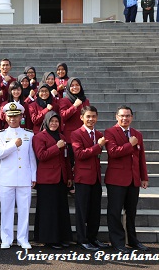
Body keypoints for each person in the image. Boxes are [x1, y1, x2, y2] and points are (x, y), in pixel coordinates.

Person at [105, 105, 149, 253]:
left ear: (132, 117)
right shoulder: (109, 132)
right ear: (117, 117)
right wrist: (130, 144)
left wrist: (144, 177)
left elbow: (141, 158)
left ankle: (132, 240)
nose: (125, 118)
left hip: (134, 179)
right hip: (116, 179)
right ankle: (117, 242)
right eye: (122, 116)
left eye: (128, 116)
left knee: (131, 212)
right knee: (115, 212)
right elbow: (113, 152)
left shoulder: (137, 134)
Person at [0, 102, 36, 250]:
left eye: (16, 116)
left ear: (21, 116)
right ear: (5, 117)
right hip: (7, 178)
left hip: (24, 176)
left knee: (24, 210)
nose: (13, 119)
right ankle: (6, 238)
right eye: (10, 116)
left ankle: (23, 239)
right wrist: (13, 145)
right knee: (6, 210)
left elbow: (32, 157)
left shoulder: (29, 134)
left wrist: (33, 176)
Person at [70, 106, 110, 252]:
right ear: (82, 117)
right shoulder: (76, 134)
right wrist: (97, 146)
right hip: (82, 178)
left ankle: (93, 237)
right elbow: (79, 154)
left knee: (95, 210)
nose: (91, 119)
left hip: (96, 178)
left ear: (97, 117)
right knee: (82, 211)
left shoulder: (99, 134)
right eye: (88, 116)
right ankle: (82, 240)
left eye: (93, 116)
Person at [32, 111, 73, 250]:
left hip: (61, 178)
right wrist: (57, 147)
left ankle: (61, 237)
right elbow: (41, 155)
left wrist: (69, 177)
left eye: (56, 121)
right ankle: (49, 239)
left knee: (60, 210)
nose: (54, 124)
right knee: (48, 211)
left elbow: (66, 159)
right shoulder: (39, 137)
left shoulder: (61, 136)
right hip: (47, 179)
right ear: (46, 122)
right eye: (52, 121)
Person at [59, 78, 90, 160]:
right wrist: (74, 106)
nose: (75, 87)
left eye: (77, 85)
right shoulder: (64, 101)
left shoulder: (85, 100)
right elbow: (63, 116)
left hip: (84, 134)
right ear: (68, 87)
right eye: (72, 85)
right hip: (70, 137)